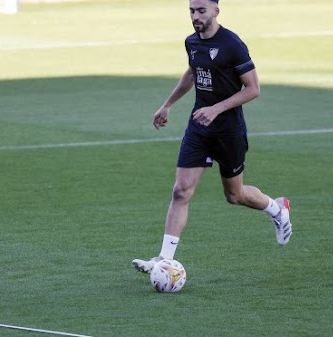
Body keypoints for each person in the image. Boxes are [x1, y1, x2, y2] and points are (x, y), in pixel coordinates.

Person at [132, 0, 292, 273]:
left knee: (235, 195)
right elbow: (193, 73)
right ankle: (165, 259)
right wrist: (168, 105)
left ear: (216, 11)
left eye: (201, 11)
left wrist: (216, 109)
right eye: (192, 11)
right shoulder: (192, 43)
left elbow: (253, 89)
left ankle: (278, 210)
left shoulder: (232, 44)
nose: (195, 16)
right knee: (181, 190)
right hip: (199, 127)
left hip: (228, 131)